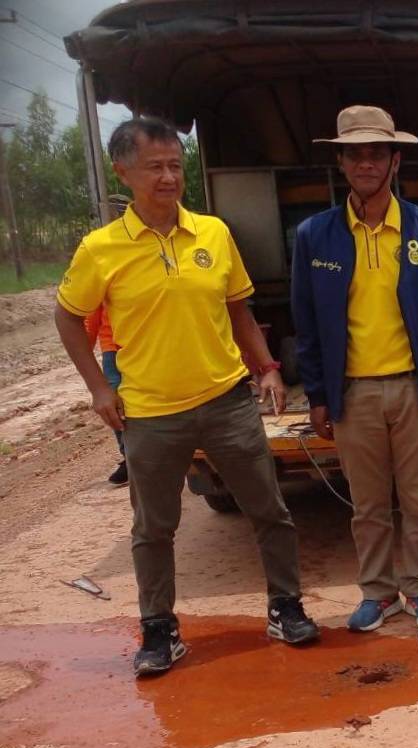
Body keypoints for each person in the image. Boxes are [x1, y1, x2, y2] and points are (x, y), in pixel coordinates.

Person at [53, 117, 318, 677]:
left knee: (270, 511)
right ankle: (159, 629)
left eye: (175, 165)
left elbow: (238, 309)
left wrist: (268, 369)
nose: (169, 177)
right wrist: (99, 388)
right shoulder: (100, 249)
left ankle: (286, 607)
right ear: (122, 172)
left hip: (227, 403)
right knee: (153, 529)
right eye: (155, 167)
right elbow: (68, 317)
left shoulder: (213, 234)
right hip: (150, 414)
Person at [292, 106, 418, 632]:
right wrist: (318, 395)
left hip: (417, 389)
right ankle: (377, 592)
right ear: (341, 163)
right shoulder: (315, 236)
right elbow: (307, 322)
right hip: (353, 395)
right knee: (367, 505)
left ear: (395, 161)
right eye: (354, 154)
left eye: (376, 154)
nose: (365, 163)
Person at [84, 305, 127, 485]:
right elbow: (91, 315)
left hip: (148, 340)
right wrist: (83, 351)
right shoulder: (100, 285)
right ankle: (129, 458)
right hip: (112, 348)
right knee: (115, 402)